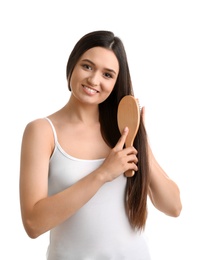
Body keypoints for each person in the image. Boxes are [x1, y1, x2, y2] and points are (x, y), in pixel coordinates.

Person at [19, 30, 182, 260]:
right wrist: (103, 174)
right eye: (87, 66)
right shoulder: (42, 131)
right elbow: (33, 223)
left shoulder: (123, 130)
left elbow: (173, 207)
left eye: (107, 74)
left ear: (116, 83)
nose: (94, 80)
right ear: (72, 66)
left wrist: (140, 140)